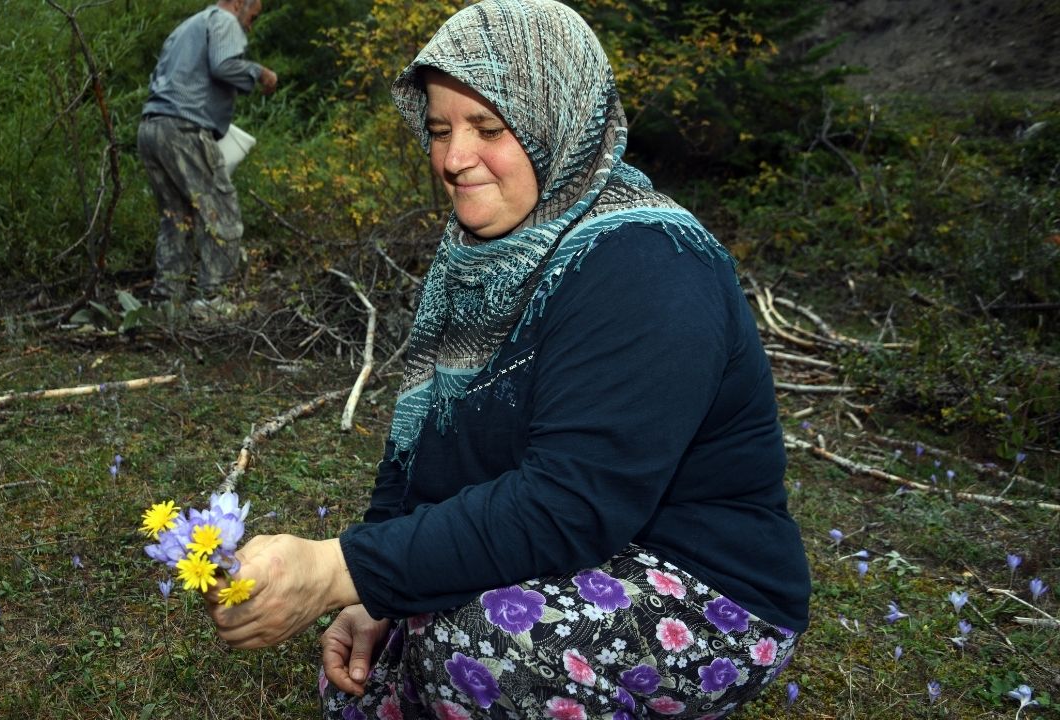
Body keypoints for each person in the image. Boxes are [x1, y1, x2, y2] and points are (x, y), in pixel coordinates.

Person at [207, 1, 811, 717]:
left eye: (488, 128)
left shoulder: (648, 262)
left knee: (476, 649)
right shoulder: (480, 260)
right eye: (438, 130)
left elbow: (571, 503)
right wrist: (376, 586)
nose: (453, 159)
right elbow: (427, 453)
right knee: (370, 675)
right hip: (579, 552)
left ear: (560, 120)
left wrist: (339, 568)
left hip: (706, 585)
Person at [137, 0, 277, 311]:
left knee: (177, 218)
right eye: (252, 18)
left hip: (152, 128)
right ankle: (213, 301)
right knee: (221, 212)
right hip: (185, 130)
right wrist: (260, 73)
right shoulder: (224, 21)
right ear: (240, 3)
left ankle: (165, 303)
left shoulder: (185, 28)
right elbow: (224, 66)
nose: (249, 27)